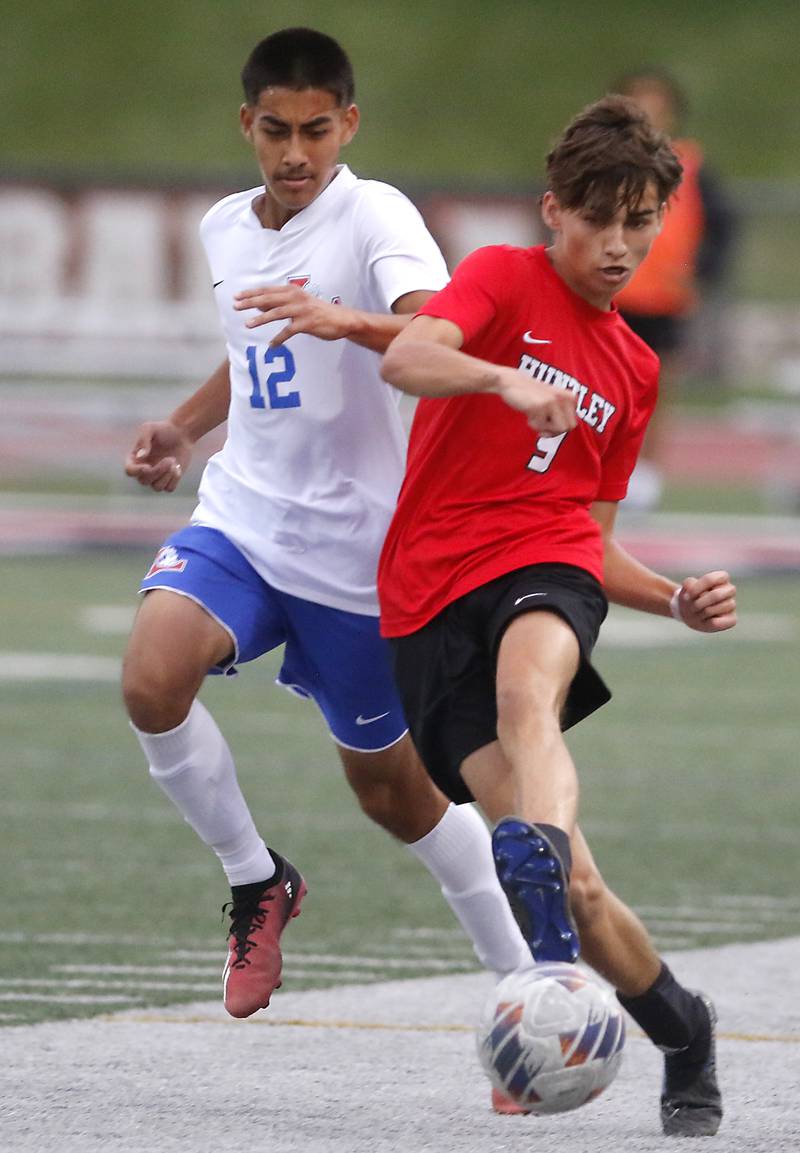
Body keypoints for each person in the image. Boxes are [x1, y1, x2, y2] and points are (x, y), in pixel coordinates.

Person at [122, 26, 534, 1044]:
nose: (295, 152)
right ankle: (255, 879)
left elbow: (445, 332)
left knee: (393, 795)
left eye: (316, 130)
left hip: (359, 556)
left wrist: (346, 319)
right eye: (275, 130)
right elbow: (248, 345)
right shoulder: (226, 226)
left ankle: (528, 983)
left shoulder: (372, 213)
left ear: (347, 123)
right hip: (243, 518)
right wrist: (182, 426)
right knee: (149, 677)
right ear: (246, 125)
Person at [378, 95, 737, 1136]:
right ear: (553, 213)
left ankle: (532, 904)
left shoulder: (633, 369)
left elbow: (589, 536)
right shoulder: (499, 276)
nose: (621, 245)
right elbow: (406, 357)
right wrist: (497, 380)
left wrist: (670, 595)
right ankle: (680, 1024)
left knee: (524, 694)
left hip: (541, 567)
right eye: (601, 222)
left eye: (642, 222)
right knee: (580, 888)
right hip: (425, 595)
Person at [613, 69, 737, 510]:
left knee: (658, 389)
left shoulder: (691, 165)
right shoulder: (603, 161)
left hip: (663, 298)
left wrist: (701, 272)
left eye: (657, 102)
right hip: (611, 295)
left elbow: (722, 227)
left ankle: (647, 476)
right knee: (601, 383)